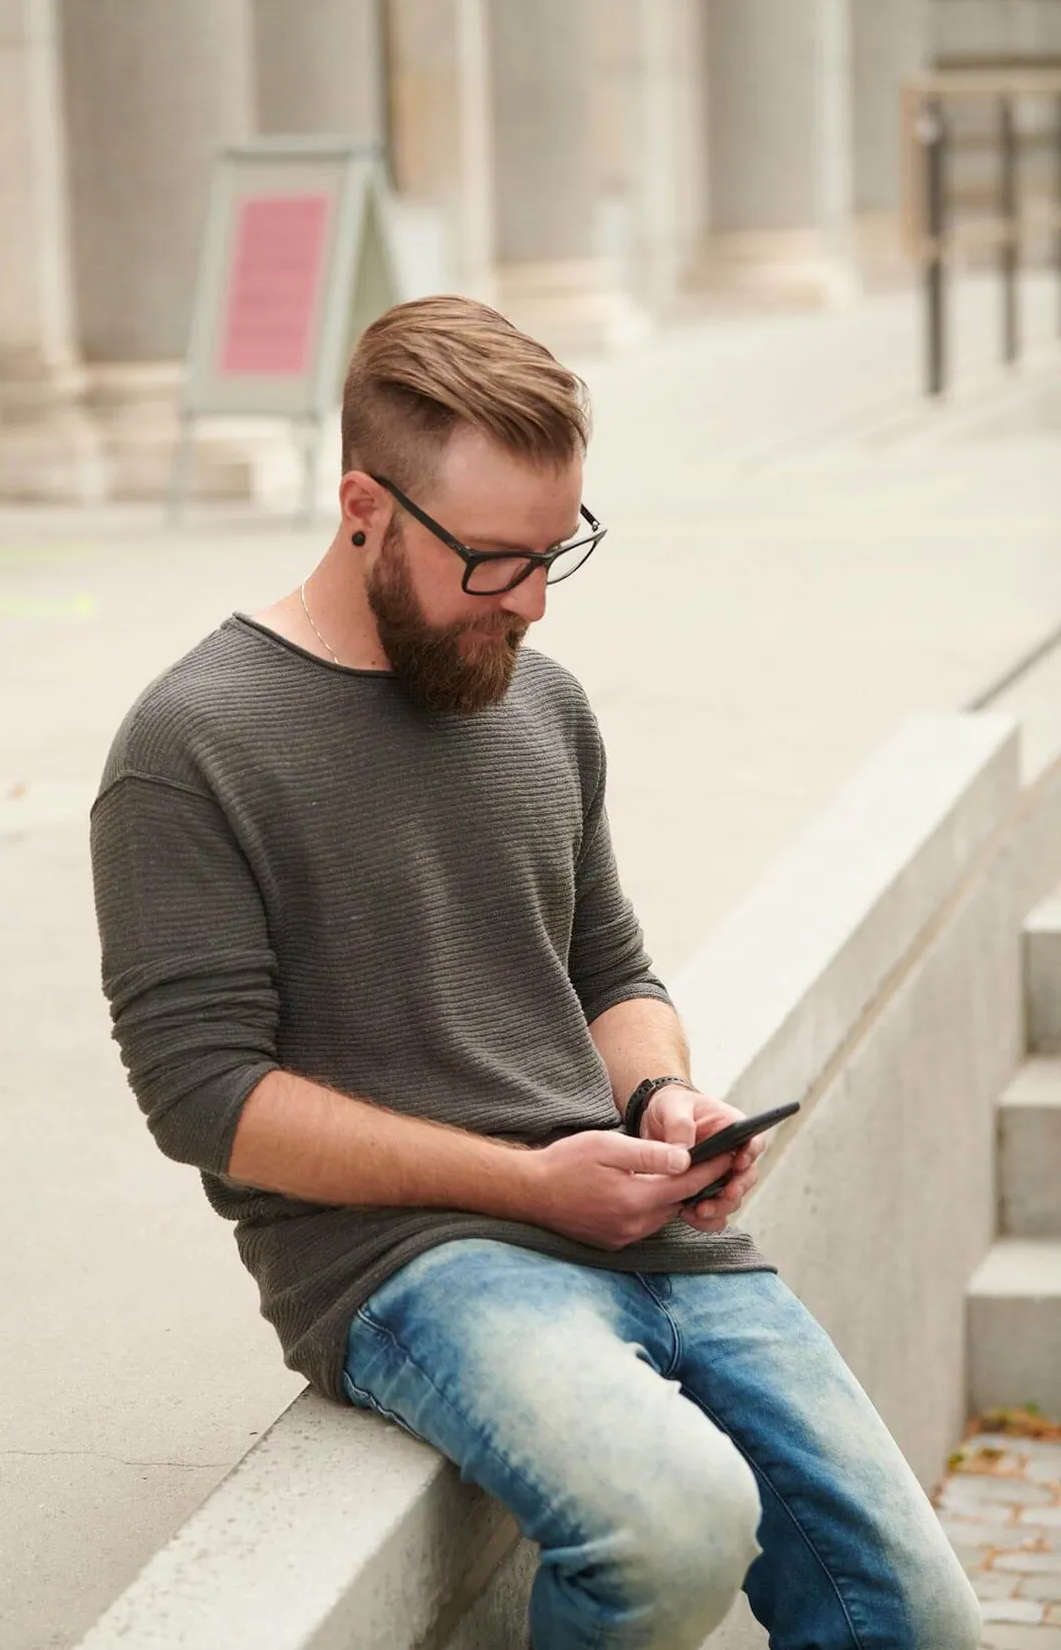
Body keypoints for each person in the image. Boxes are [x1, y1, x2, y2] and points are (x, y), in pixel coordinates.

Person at [90, 296, 981, 1650]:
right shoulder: (192, 742)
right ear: (362, 507)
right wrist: (527, 1179)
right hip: (417, 1265)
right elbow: (203, 1098)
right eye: (492, 559)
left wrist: (670, 1101)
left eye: (555, 554)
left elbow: (608, 969)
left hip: (649, 1225)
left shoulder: (540, 699)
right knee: (675, 1531)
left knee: (917, 1614)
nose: (527, 599)